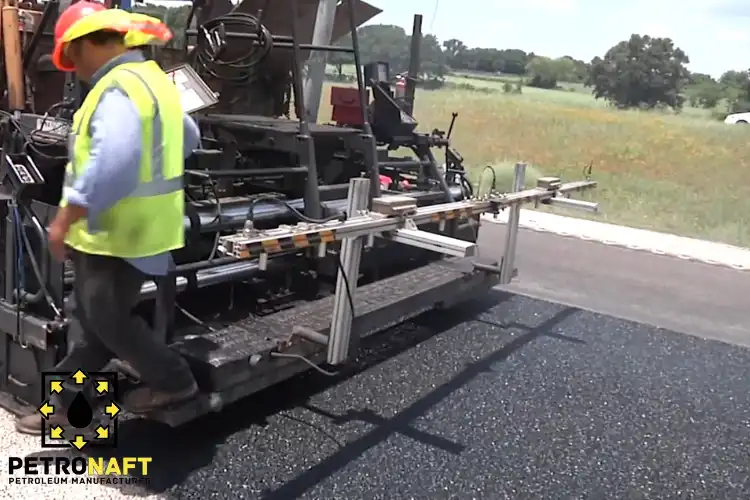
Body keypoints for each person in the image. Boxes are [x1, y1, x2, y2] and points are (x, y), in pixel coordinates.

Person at [16, 3, 200, 435]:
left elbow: (113, 160)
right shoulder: (155, 81)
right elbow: (187, 138)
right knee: (96, 325)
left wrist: (65, 218)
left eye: (73, 55)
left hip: (114, 235)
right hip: (147, 231)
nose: (75, 68)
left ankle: (175, 381)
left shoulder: (116, 88)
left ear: (88, 45)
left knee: (108, 320)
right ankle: (63, 404)